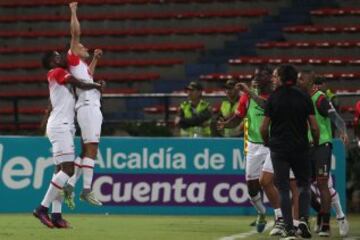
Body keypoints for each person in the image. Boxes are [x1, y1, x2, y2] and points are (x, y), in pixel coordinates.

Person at [33, 51, 103, 228]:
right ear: (51, 62)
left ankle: (56, 216)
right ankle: (42, 208)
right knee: (68, 170)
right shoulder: (56, 72)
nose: (60, 58)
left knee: (60, 172)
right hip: (60, 126)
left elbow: (81, 78)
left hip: (65, 126)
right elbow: (78, 82)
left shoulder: (60, 76)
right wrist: (94, 85)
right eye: (56, 56)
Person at [260, 64, 320, 239]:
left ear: (281, 77)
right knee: (304, 185)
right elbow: (314, 127)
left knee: (284, 188)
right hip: (300, 148)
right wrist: (315, 145)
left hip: (279, 148)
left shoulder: (273, 98)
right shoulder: (304, 96)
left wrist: (268, 143)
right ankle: (302, 220)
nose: (273, 78)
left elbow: (264, 128)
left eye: (275, 76)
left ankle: (288, 228)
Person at [218, 66, 273, 233]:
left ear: (269, 78)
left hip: (272, 145)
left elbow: (266, 106)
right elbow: (238, 117)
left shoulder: (275, 96)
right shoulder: (246, 98)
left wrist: (249, 92)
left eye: (260, 75)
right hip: (253, 145)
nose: (255, 79)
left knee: (271, 181)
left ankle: (281, 218)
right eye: (254, 76)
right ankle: (262, 212)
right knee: (251, 186)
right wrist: (226, 124)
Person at [297, 70, 349, 237]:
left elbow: (335, 117)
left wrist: (343, 131)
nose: (298, 82)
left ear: (309, 82)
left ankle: (326, 224)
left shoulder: (319, 98)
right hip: (306, 147)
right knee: (304, 187)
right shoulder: (301, 99)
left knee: (322, 184)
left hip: (321, 146)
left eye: (301, 79)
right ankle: (321, 214)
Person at [62, 2, 104, 208]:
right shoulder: (72, 56)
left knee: (85, 150)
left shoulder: (82, 66)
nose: (85, 47)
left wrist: (95, 60)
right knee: (92, 148)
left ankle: (70, 185)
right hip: (88, 106)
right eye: (82, 46)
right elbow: (75, 33)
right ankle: (86, 190)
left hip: (90, 106)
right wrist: (73, 10)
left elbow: (89, 78)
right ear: (73, 50)